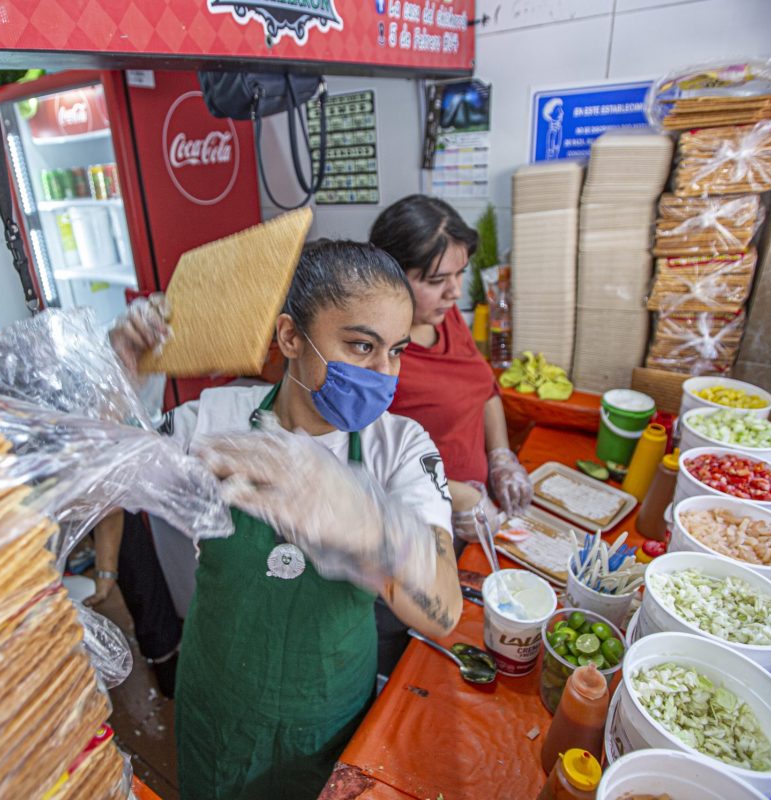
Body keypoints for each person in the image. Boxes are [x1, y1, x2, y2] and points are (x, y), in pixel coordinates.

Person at [110, 240, 461, 800]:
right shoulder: (214, 423)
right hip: (218, 707)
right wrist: (118, 376)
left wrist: (368, 522)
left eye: (395, 351)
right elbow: (103, 473)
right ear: (292, 336)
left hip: (326, 714)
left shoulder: (398, 448)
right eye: (361, 345)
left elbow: (443, 610)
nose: (382, 373)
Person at [369, 195, 532, 539]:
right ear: (390, 276)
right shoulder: (374, 357)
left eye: (460, 274)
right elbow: (369, 465)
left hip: (478, 508)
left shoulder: (445, 318)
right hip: (425, 525)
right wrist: (459, 496)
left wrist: (501, 457)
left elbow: (483, 388)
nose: (455, 291)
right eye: (436, 280)